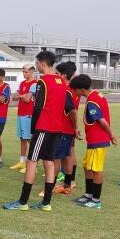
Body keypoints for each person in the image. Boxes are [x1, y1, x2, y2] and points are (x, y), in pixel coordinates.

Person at [2, 50, 76, 212]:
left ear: (42, 63)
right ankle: (46, 203)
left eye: (36, 63)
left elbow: (38, 107)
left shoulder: (43, 82)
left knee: (32, 162)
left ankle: (23, 202)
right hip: (57, 127)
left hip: (43, 127)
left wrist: (34, 127)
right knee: (49, 162)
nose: (36, 66)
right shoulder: (62, 82)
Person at [69, 74, 119, 208]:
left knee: (96, 169)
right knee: (87, 165)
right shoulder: (96, 95)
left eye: (75, 90)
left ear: (81, 89)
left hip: (98, 141)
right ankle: (88, 195)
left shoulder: (91, 102)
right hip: (93, 141)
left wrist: (111, 135)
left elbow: (101, 120)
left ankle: (96, 200)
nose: (74, 92)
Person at [50, 61, 79, 195]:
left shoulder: (65, 90)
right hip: (68, 129)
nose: (55, 76)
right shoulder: (73, 89)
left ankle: (51, 186)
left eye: (57, 74)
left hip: (63, 129)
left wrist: (76, 127)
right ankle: (68, 183)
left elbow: (72, 111)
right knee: (68, 155)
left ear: (64, 75)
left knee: (55, 158)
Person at [9, 65, 36, 173]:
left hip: (28, 114)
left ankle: (32, 166)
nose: (24, 74)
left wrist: (21, 96)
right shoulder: (22, 83)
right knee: (22, 138)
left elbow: (27, 99)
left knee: (29, 139)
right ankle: (21, 162)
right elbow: (14, 97)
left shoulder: (34, 84)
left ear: (32, 72)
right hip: (21, 113)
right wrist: (22, 95)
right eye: (23, 72)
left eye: (25, 72)